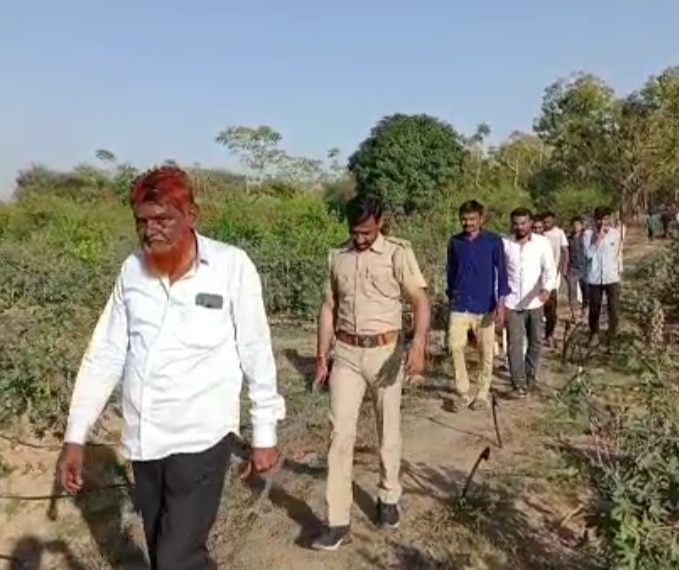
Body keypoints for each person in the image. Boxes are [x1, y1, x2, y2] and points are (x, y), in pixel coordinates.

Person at [57, 166, 286, 570]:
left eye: (163, 219)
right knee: (166, 549)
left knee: (176, 558)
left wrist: (264, 431)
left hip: (202, 437)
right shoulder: (132, 271)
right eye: (142, 221)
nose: (151, 231)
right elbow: (106, 352)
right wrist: (76, 435)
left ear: (191, 216)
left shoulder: (232, 267)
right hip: (145, 440)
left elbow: (256, 350)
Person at [311, 195, 431, 550]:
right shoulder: (338, 256)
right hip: (346, 354)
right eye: (354, 232)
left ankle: (388, 497)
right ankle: (337, 520)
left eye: (366, 231)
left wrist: (419, 344)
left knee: (387, 427)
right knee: (339, 434)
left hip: (386, 352)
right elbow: (328, 308)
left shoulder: (397, 253)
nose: (360, 239)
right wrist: (321, 357)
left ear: (379, 222)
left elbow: (420, 300)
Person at [445, 200, 509, 411]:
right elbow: (451, 271)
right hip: (460, 304)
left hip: (485, 305)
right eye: (464, 219)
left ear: (481, 219)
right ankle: (463, 391)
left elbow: (502, 271)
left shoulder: (493, 241)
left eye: (472, 219)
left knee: (486, 351)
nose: (468, 223)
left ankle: (482, 393)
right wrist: (451, 295)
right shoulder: (455, 242)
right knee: (454, 346)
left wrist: (501, 302)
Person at [502, 208, 558, 398]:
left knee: (535, 341)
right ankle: (518, 383)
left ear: (530, 223)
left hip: (535, 301)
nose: (520, 227)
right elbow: (499, 274)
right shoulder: (505, 244)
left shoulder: (541, 243)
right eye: (516, 223)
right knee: (514, 344)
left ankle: (530, 375)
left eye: (523, 223)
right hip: (512, 302)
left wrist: (546, 289)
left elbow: (550, 269)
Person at [582, 206, 623, 348]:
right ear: (595, 220)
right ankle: (594, 334)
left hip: (612, 277)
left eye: (605, 219)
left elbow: (618, 255)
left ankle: (612, 337)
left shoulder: (616, 234)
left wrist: (619, 273)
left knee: (614, 309)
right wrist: (598, 239)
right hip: (594, 277)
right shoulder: (588, 235)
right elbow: (588, 255)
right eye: (599, 219)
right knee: (594, 309)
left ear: (609, 219)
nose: (602, 222)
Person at [540, 211, 569, 348]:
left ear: (553, 221)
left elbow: (564, 251)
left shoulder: (559, 233)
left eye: (548, 222)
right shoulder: (538, 235)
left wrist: (563, 268)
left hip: (553, 275)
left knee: (551, 306)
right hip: (537, 277)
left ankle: (549, 334)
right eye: (544, 222)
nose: (546, 224)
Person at [565, 216, 588, 321]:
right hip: (572, 269)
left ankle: (585, 311)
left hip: (585, 269)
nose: (575, 227)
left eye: (578, 225)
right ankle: (574, 314)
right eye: (573, 225)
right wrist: (565, 269)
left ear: (582, 225)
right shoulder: (568, 239)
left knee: (586, 292)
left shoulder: (586, 237)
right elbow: (566, 254)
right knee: (572, 293)